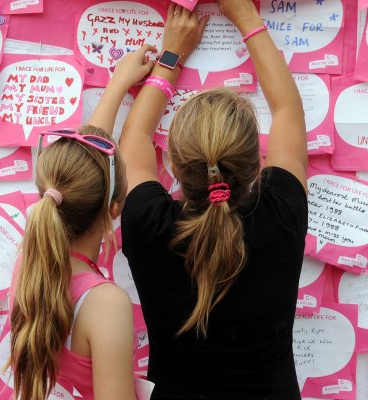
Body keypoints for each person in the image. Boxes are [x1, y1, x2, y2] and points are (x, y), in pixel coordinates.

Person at [118, 1, 307, 399]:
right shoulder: (280, 216)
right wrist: (246, 16)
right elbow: (287, 108)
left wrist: (171, 54)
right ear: (257, 162)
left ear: (170, 160)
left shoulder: (149, 224)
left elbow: (133, 139)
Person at [9, 44, 158, 400]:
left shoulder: (30, 264)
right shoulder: (104, 303)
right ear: (115, 209)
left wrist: (118, 83)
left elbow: (85, 169)